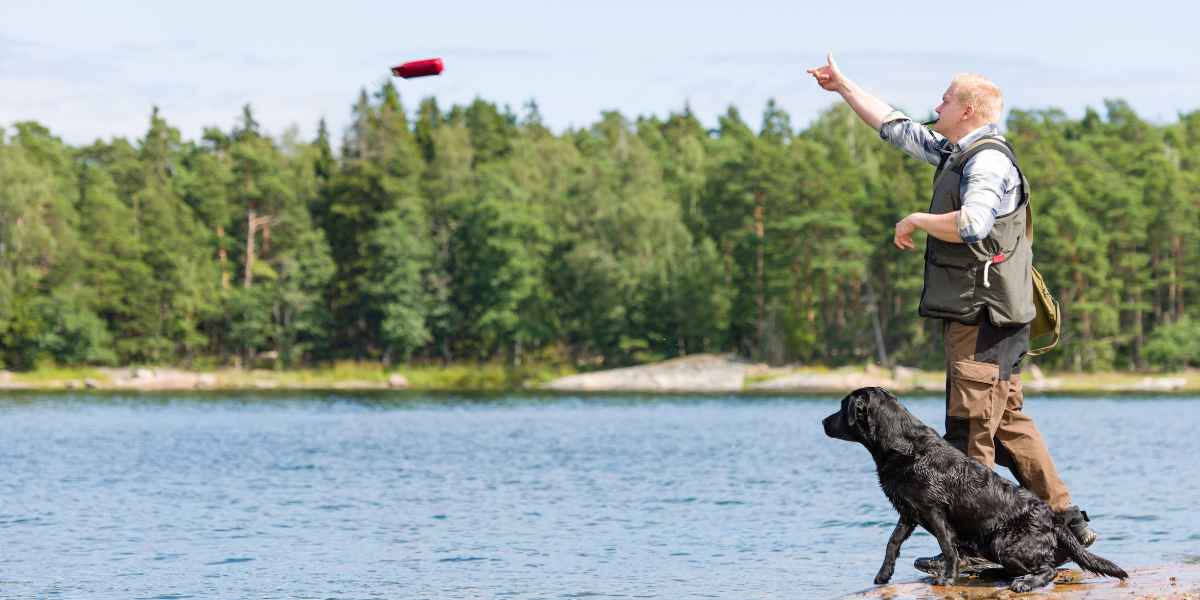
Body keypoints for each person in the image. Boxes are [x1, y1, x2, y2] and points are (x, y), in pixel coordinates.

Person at [806, 53, 1097, 575]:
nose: (934, 105)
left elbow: (973, 224)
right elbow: (897, 129)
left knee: (967, 435)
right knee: (1007, 423)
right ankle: (1066, 522)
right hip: (998, 315)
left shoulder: (987, 162)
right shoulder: (958, 151)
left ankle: (966, 554)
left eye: (943, 98)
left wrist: (916, 218)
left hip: (981, 317)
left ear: (966, 109)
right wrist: (844, 87)